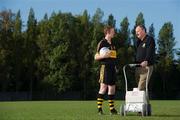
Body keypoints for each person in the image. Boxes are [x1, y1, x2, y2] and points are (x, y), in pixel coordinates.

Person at [94, 26, 118, 115]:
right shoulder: (102, 43)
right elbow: (96, 57)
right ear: (107, 32)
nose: (114, 32)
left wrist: (115, 66)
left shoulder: (113, 44)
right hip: (105, 68)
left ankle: (112, 109)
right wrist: (104, 56)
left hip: (112, 68)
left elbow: (113, 57)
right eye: (113, 31)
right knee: (103, 88)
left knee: (112, 89)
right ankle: (99, 109)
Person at [135, 25, 155, 103]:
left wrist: (146, 60)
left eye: (138, 31)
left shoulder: (149, 39)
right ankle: (146, 106)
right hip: (138, 67)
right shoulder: (138, 41)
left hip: (146, 67)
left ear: (143, 30)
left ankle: (140, 107)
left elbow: (150, 51)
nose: (136, 33)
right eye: (136, 32)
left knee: (141, 87)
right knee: (141, 89)